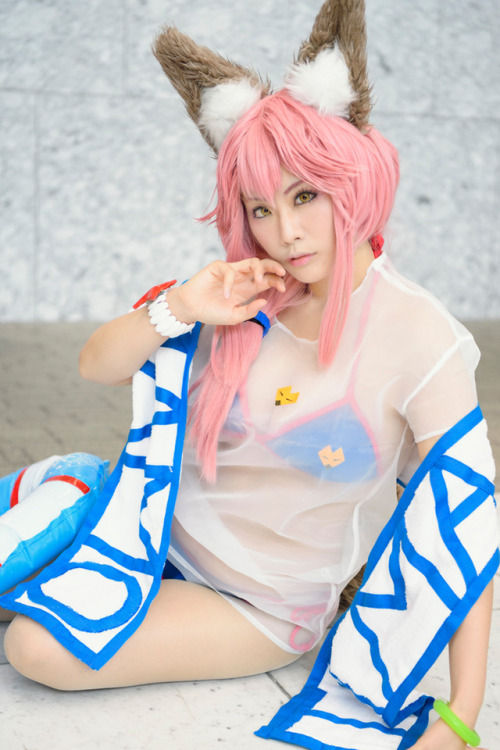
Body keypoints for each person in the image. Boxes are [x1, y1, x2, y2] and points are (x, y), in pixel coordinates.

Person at [1, 2, 497, 749]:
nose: (285, 232)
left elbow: (466, 519)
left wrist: (462, 711)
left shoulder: (418, 334)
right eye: (260, 208)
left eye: (305, 196)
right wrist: (180, 306)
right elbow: (95, 364)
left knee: (36, 647)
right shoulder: (248, 291)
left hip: (256, 604)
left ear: (352, 178)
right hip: (148, 531)